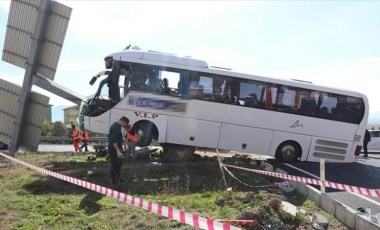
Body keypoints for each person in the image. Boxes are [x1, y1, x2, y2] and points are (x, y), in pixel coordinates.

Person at [108, 116, 129, 185]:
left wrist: (121, 147)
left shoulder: (117, 126)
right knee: (115, 164)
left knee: (119, 164)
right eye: (125, 124)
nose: (125, 125)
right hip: (114, 149)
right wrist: (118, 151)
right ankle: (114, 181)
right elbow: (114, 141)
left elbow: (117, 138)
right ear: (122, 121)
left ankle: (118, 178)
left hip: (116, 148)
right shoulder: (116, 128)